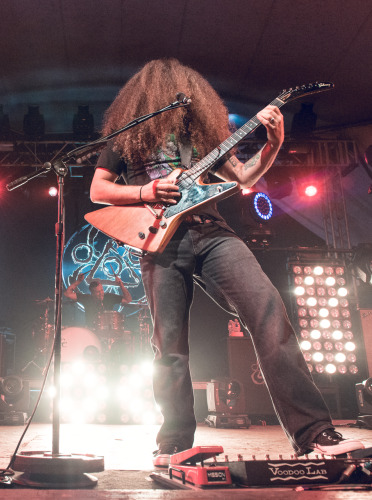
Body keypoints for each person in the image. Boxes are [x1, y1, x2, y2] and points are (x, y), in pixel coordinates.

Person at [89, 58, 364, 467]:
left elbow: (245, 178)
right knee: (170, 344)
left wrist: (272, 144)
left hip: (213, 233)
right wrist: (148, 191)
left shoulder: (204, 136)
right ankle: (174, 442)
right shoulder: (130, 135)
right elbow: (98, 189)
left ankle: (313, 433)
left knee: (268, 308)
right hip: (160, 237)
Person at [64, 272, 132, 331]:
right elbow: (68, 293)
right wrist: (78, 281)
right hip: (91, 331)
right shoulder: (87, 298)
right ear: (92, 293)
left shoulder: (109, 297)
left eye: (102, 290)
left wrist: (121, 284)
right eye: (98, 292)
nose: (101, 293)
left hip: (108, 332)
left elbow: (128, 299)